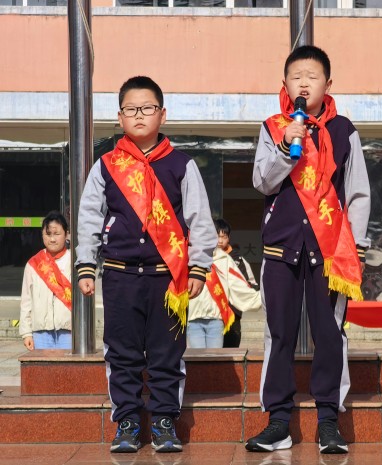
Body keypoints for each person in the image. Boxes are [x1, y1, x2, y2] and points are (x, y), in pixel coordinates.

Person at [75, 76, 217, 454]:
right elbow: (89, 216)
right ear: (120, 117)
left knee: (166, 353)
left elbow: (200, 220)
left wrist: (199, 267)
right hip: (119, 276)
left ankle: (164, 420)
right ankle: (126, 421)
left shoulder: (182, 165)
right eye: (131, 109)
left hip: (167, 280)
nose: (139, 115)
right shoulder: (106, 165)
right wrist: (86, 264)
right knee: (121, 353)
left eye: (147, 108)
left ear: (162, 114)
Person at [247, 45, 370, 454]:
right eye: (296, 76)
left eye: (312, 77)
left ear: (327, 84)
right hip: (281, 249)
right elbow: (262, 182)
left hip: (331, 250)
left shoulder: (344, 130)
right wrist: (286, 147)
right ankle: (278, 421)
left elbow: (358, 192)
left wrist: (357, 244)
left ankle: (329, 421)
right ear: (284, 84)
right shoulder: (273, 127)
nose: (304, 83)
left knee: (329, 334)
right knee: (279, 334)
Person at [187, 245, 261, 348]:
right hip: (193, 318)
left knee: (215, 357)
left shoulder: (223, 258)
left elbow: (238, 285)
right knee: (197, 357)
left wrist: (265, 297)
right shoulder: (188, 257)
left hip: (216, 320)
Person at [19, 211, 72, 350]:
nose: (52, 239)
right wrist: (26, 333)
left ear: (66, 234)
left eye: (57, 234)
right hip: (41, 334)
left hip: (68, 332)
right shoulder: (33, 264)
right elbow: (26, 301)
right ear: (42, 235)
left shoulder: (75, 262)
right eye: (48, 234)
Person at [213, 218, 260, 348]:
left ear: (229, 238)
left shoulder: (238, 260)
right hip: (213, 314)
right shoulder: (205, 258)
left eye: (224, 237)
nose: (220, 241)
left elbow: (252, 285)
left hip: (233, 315)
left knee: (231, 350)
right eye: (217, 236)